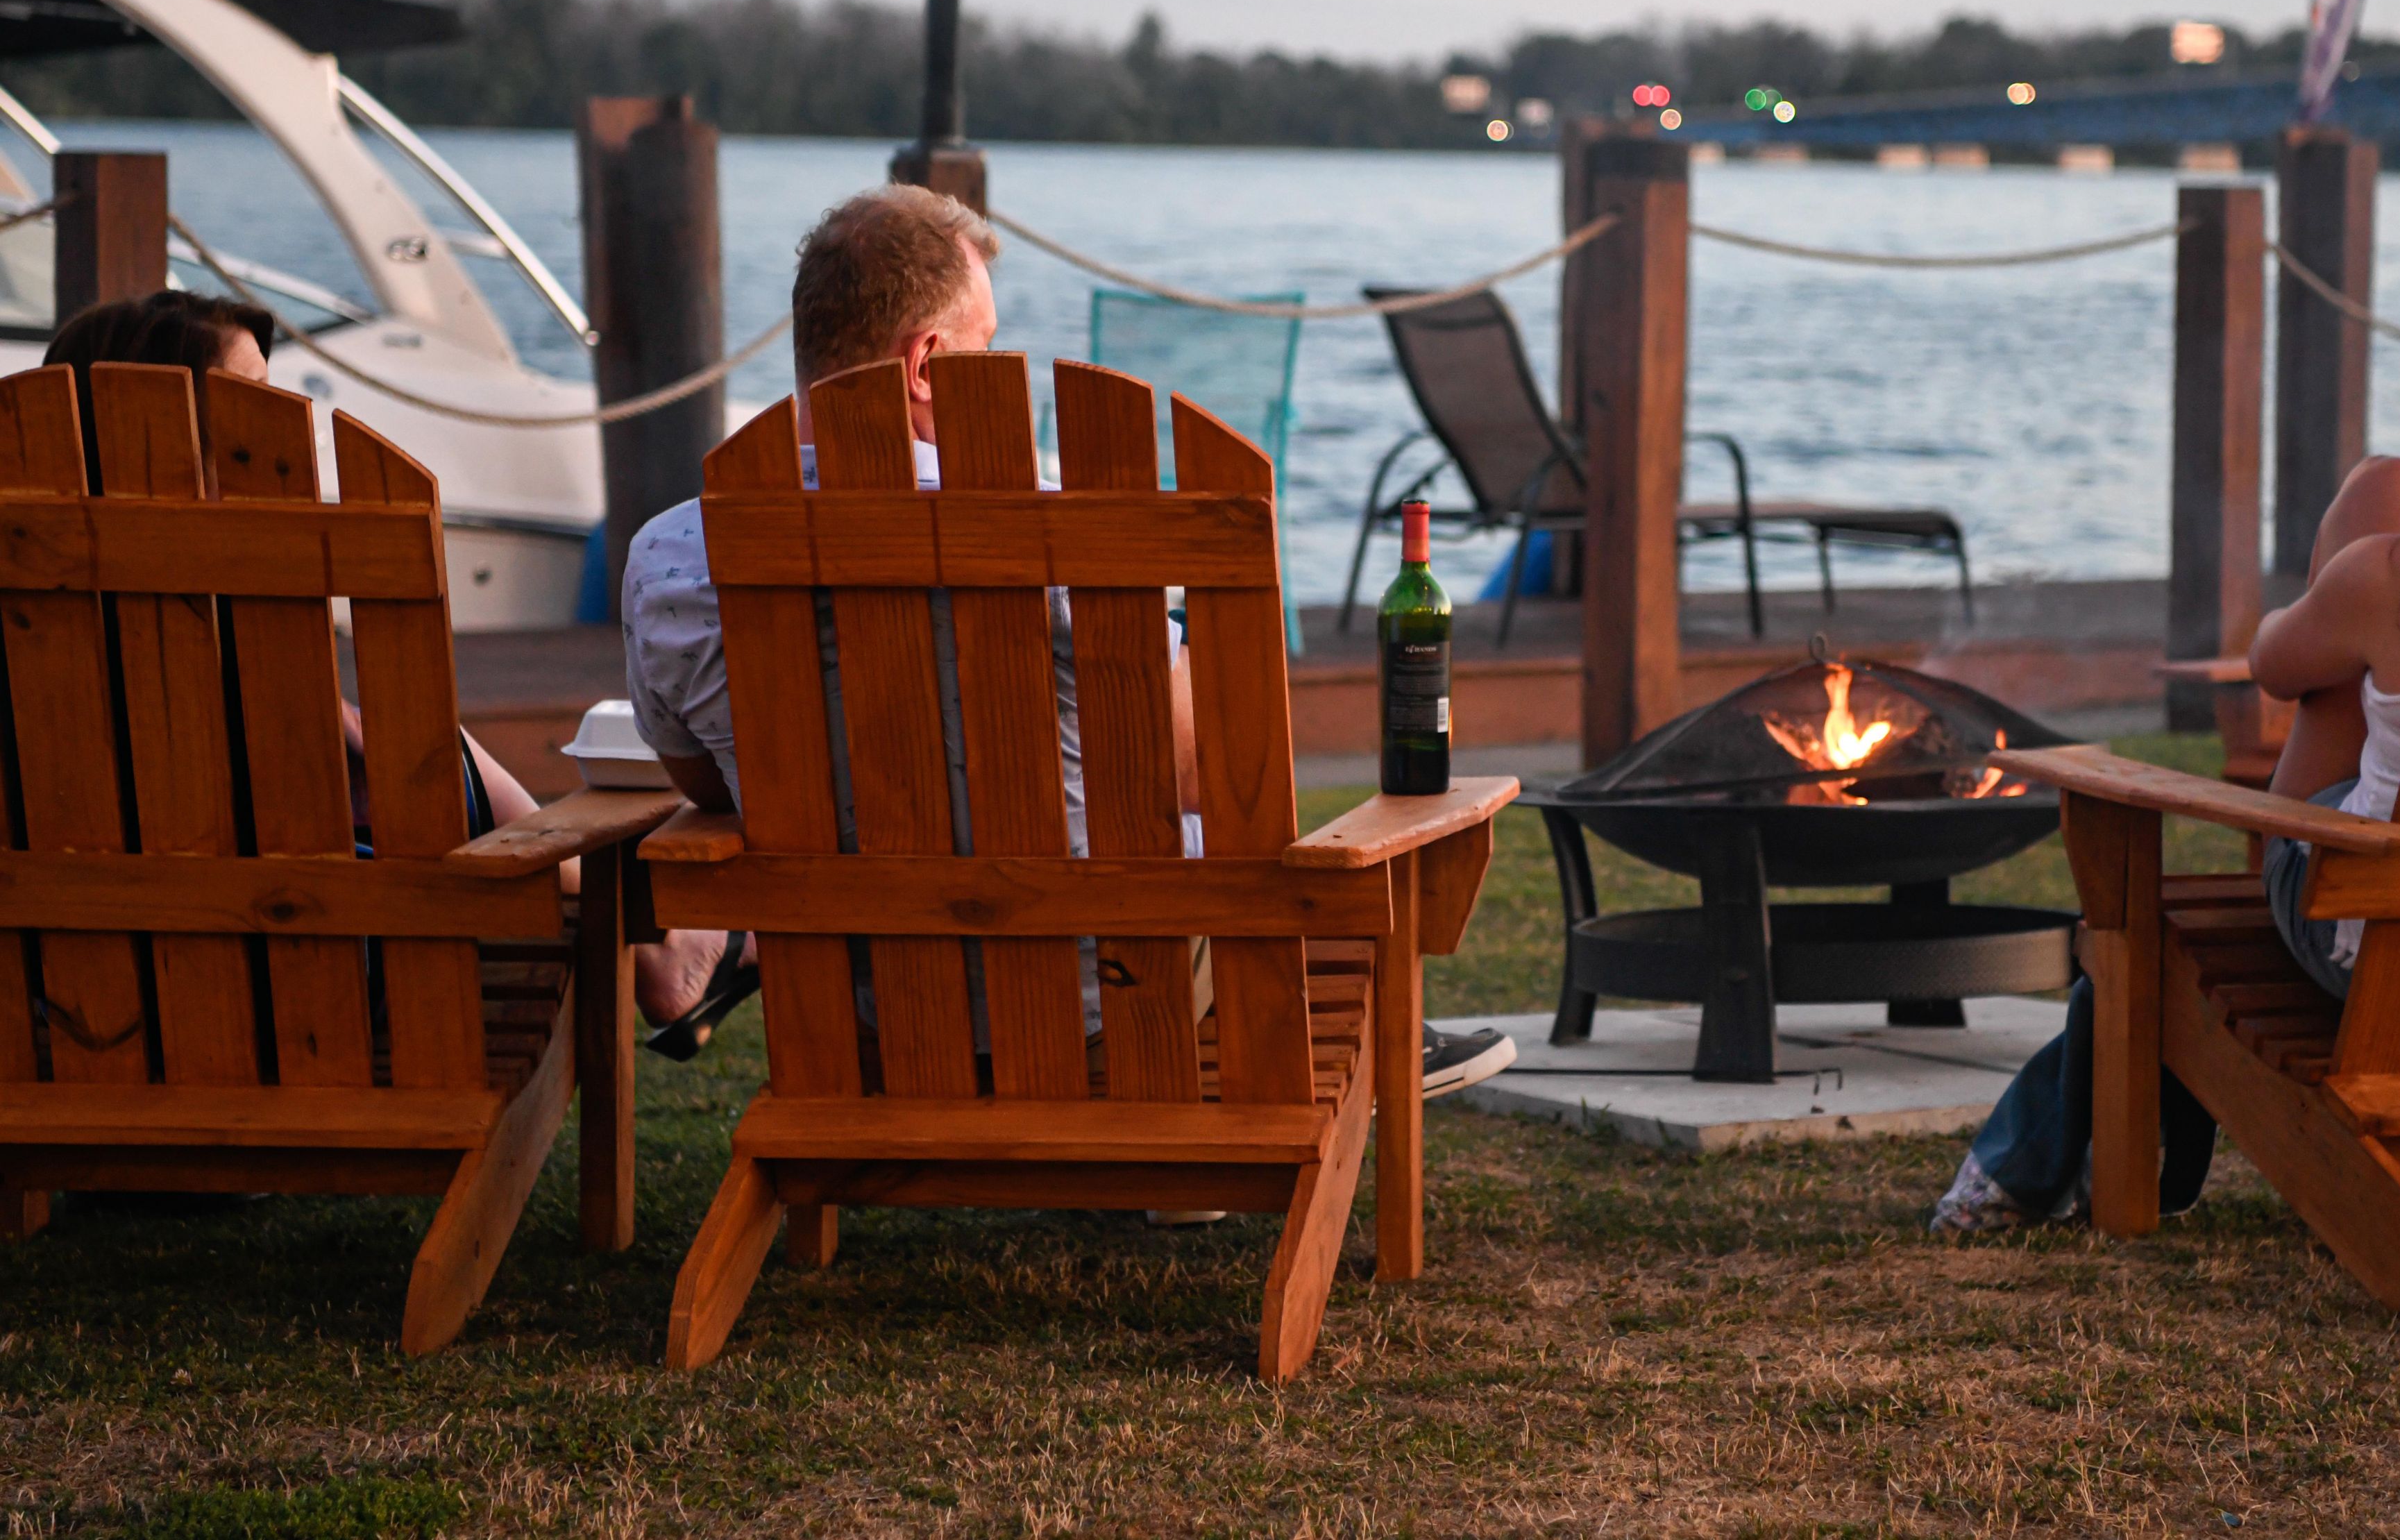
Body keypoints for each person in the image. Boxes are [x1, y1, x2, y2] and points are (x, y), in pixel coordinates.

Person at [623, 184, 1516, 1097]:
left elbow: (704, 785)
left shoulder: (668, 561)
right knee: (1270, 860)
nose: (1002, 361)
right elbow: (1212, 776)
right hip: (1113, 1012)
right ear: (928, 363)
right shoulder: (1058, 543)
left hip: (862, 1023)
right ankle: (1343, 1059)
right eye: (989, 343)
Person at [1931, 284, 2400, 1233]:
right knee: (2392, 498)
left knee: (2154, 917)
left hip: (2397, 958)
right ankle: (2012, 1171)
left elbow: (2273, 665)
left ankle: (2019, 1173)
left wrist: (2346, 585)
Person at [39, 290, 727, 1033]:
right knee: (425, 765)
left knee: (401, 759)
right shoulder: (236, 639)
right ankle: (658, 945)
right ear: (159, 438)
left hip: (68, 1005)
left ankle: (660, 947)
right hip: (297, 996)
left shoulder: (40, 625)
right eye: (253, 407)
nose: (281, 436)